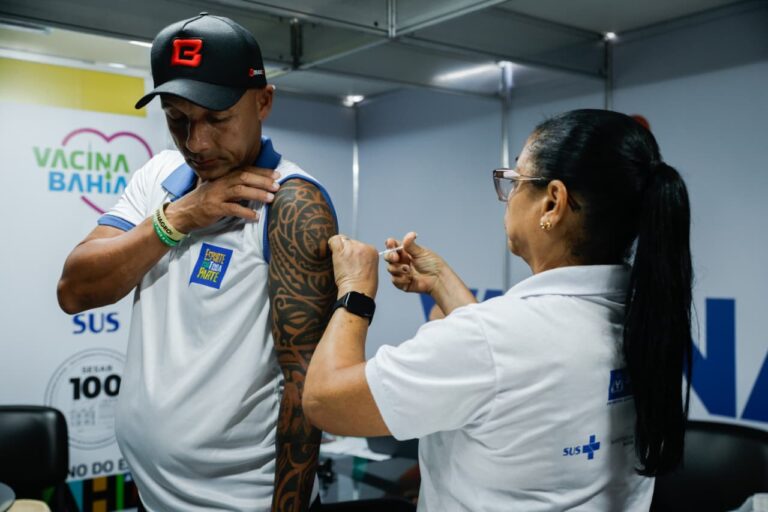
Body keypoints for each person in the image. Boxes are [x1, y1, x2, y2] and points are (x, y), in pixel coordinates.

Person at [303, 109, 693, 511]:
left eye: (515, 181)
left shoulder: (496, 339)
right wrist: (440, 282)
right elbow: (502, 380)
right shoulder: (645, 322)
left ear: (553, 203)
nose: (507, 198)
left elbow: (325, 401)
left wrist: (355, 291)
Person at [57, 13, 337, 512]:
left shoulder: (290, 204)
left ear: (263, 102)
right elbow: (75, 290)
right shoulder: (161, 175)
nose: (197, 143)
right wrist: (180, 218)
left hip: (239, 505)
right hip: (151, 496)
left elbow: (305, 384)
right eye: (178, 120)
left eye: (217, 118)